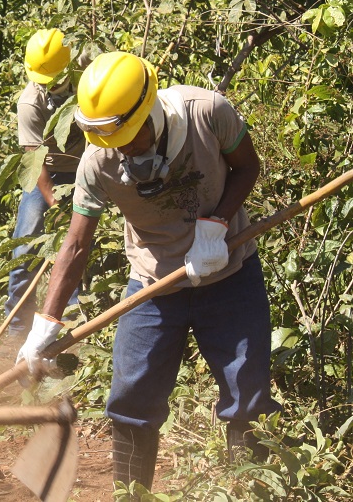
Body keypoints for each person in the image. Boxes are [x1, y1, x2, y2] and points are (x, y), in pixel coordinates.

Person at [15, 51, 280, 493]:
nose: (121, 149)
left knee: (246, 392)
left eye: (130, 138)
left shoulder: (207, 114)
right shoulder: (98, 163)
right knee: (131, 399)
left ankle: (251, 489)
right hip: (153, 286)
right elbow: (77, 242)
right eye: (109, 141)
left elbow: (247, 166)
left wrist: (216, 226)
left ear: (150, 109)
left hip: (230, 274)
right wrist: (45, 325)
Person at [5, 29, 85, 334]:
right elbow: (34, 159)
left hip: (85, 170)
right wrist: (54, 204)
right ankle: (17, 326)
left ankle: (73, 323)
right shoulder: (30, 102)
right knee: (25, 245)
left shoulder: (86, 79)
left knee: (80, 243)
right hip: (48, 173)